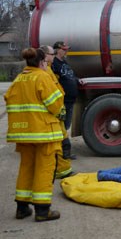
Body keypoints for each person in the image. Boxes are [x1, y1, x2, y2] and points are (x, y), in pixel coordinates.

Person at [5, 48, 65, 222]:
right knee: (44, 170)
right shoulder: (43, 77)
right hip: (43, 133)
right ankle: (42, 210)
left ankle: (22, 208)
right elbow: (54, 105)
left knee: (26, 168)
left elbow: (8, 98)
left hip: (23, 133)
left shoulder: (19, 78)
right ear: (42, 62)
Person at [41, 45, 74, 179]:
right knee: (60, 144)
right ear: (45, 55)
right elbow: (49, 95)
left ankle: (63, 170)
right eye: (52, 53)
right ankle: (61, 170)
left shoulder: (48, 70)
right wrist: (58, 111)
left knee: (63, 144)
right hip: (54, 114)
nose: (54, 55)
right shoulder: (45, 73)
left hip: (58, 112)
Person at [51, 41, 79, 160]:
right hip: (62, 100)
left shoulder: (64, 62)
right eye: (63, 49)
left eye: (67, 49)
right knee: (61, 127)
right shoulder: (54, 64)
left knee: (66, 125)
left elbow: (69, 76)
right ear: (57, 50)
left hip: (70, 99)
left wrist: (77, 80)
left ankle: (63, 152)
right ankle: (61, 153)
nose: (66, 51)